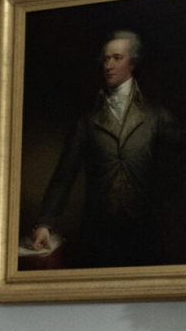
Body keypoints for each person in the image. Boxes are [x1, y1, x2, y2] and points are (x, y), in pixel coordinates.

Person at [30, 30, 183, 268]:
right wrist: (45, 223)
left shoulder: (154, 115)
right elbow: (65, 173)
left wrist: (167, 195)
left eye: (117, 58)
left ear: (132, 63)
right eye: (105, 59)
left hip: (146, 229)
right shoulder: (88, 121)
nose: (108, 65)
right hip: (99, 231)